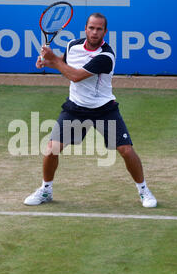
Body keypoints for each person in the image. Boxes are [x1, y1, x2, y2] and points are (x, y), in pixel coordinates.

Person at [24, 13, 157, 208]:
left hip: (104, 110)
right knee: (51, 148)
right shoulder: (73, 46)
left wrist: (54, 60)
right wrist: (47, 62)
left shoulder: (106, 56)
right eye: (91, 28)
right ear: (85, 29)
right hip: (75, 108)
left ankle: (144, 190)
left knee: (126, 150)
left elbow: (76, 76)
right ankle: (46, 190)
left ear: (105, 31)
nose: (94, 32)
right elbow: (64, 63)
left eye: (99, 29)